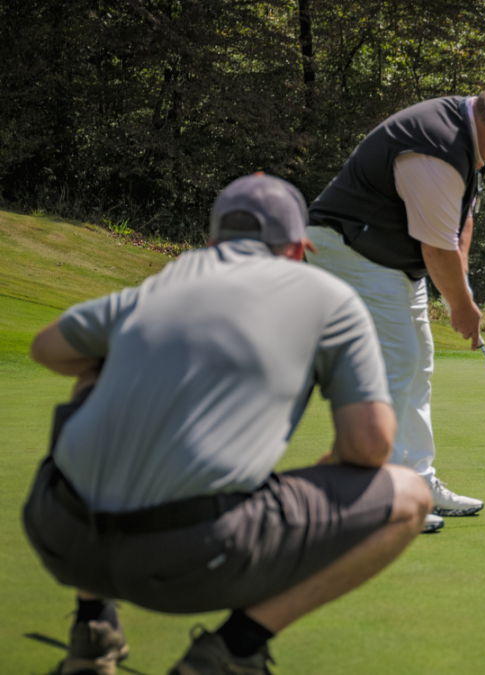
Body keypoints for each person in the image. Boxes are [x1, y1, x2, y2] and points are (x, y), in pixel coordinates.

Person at [22, 174, 432, 675]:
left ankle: (93, 625)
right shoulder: (329, 296)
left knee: (94, 366)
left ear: (214, 240)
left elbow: (47, 348)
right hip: (192, 562)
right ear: (299, 248)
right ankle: (232, 653)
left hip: (58, 535)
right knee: (410, 496)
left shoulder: (165, 281)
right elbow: (370, 446)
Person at [306, 84, 485, 532]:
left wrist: (464, 298)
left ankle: (417, 482)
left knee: (417, 362)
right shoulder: (436, 148)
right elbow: (437, 250)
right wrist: (461, 307)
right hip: (351, 251)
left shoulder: (464, 137)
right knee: (395, 362)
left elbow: (459, 225)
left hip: (390, 260)